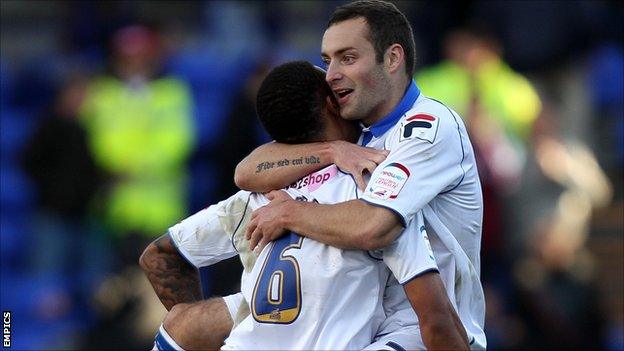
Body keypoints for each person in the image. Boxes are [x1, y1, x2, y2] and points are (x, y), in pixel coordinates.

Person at [140, 61, 468, 350]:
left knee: (186, 322)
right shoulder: (373, 189)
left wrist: (244, 322)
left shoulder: (258, 196)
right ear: (331, 103)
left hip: (251, 339)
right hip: (348, 336)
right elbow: (436, 321)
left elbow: (159, 256)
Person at [235, 0, 486, 348]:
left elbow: (373, 226)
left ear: (393, 59)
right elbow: (247, 170)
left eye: (347, 58)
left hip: (422, 332)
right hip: (360, 326)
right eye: (327, 60)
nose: (331, 74)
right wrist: (331, 150)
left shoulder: (429, 127)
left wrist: (290, 212)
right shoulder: (352, 130)